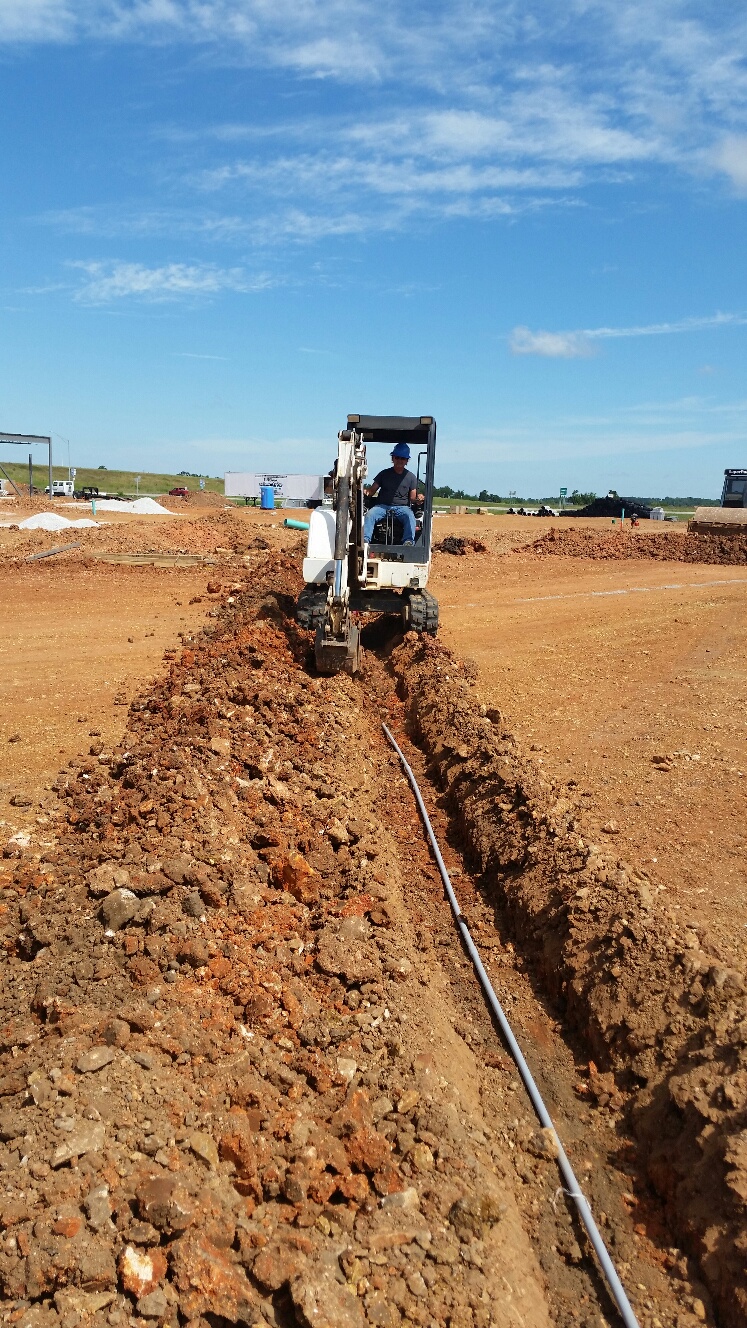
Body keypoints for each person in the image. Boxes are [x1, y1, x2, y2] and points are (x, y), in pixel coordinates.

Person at [363, 443, 422, 544]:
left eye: (402, 458)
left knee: (409, 516)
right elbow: (371, 491)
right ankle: (365, 540)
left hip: (402, 508)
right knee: (370, 514)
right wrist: (363, 491)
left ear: (407, 461)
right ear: (393, 458)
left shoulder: (411, 477)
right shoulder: (384, 474)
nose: (399, 460)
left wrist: (419, 499)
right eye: (397, 457)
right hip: (382, 507)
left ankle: (408, 541)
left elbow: (413, 498)